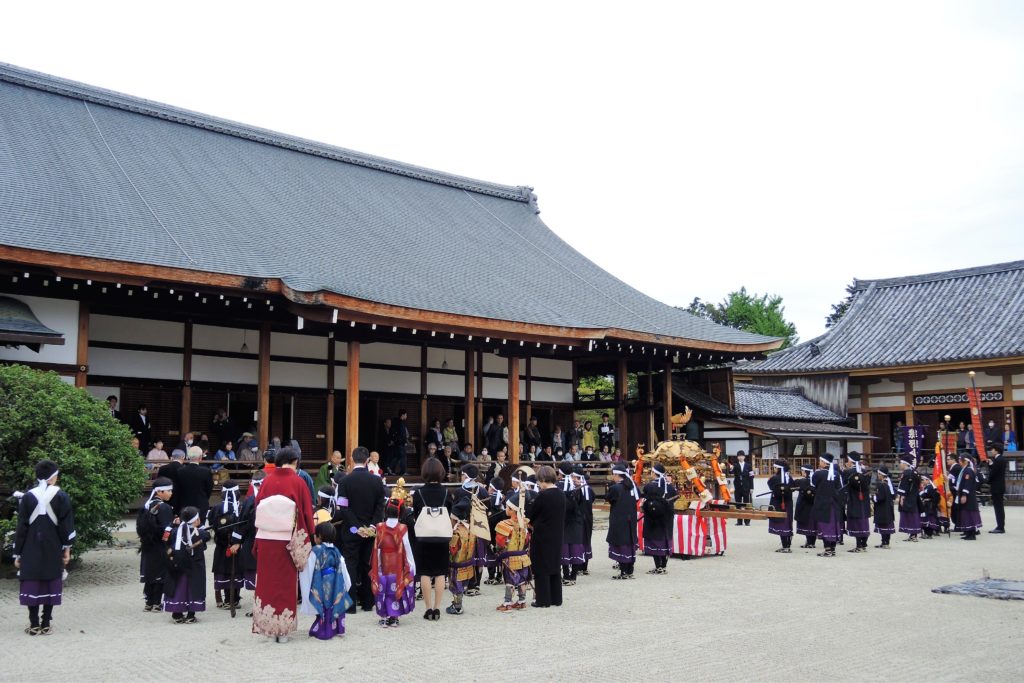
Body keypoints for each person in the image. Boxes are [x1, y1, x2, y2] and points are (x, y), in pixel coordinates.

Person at [252, 447, 314, 643]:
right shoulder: (298, 481)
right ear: (295, 461)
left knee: (266, 582)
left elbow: (257, 508)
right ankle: (283, 631)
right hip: (287, 540)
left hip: (266, 538)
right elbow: (305, 512)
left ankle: (269, 630)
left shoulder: (267, 480)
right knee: (286, 583)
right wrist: (309, 535)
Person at [14, 460, 75, 635]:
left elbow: (22, 528)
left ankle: (33, 625)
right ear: (52, 476)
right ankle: (46, 624)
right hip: (53, 547)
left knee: (32, 583)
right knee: (50, 582)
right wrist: (67, 549)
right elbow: (66, 527)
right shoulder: (61, 496)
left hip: (30, 548)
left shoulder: (27, 497)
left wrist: (17, 554)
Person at [335, 447, 387, 614]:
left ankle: (350, 604)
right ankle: (367, 602)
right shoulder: (376, 481)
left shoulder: (345, 481)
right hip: (370, 529)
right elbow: (380, 506)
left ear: (351, 459)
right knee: (368, 564)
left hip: (351, 530)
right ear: (367, 461)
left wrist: (355, 527)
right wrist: (372, 526)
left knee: (351, 563)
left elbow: (343, 507)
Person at [412, 457, 452, 620]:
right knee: (441, 572)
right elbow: (448, 514)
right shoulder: (446, 493)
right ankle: (437, 608)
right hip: (442, 535)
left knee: (425, 573)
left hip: (424, 536)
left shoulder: (419, 492)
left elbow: (415, 515)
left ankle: (428, 608)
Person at [370, 497, 417, 627]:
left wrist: (377, 566)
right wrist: (412, 565)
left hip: (383, 562)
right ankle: (394, 617)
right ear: (401, 512)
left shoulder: (379, 527)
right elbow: (407, 547)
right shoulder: (402, 528)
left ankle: (384, 617)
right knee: (395, 590)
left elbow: (377, 548)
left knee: (382, 591)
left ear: (385, 511)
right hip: (397, 565)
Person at [307, 522, 352, 640]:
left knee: (325, 604)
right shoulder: (336, 550)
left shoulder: (316, 550)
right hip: (336, 580)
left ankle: (325, 630)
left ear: (319, 536)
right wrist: (346, 583)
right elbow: (342, 565)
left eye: (315, 535)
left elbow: (311, 567)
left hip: (322, 581)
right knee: (334, 602)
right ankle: (338, 628)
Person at [164, 505, 208, 624]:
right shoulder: (201, 533)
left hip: (178, 565)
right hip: (195, 566)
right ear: (196, 520)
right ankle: (190, 614)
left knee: (179, 587)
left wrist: (172, 525)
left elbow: (166, 539)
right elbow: (204, 543)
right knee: (193, 588)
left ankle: (177, 614)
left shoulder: (175, 531)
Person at [529, 466, 565, 607]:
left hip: (542, 535)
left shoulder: (543, 495)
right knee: (555, 566)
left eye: (539, 481)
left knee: (541, 567)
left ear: (543, 479)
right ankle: (556, 598)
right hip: (557, 534)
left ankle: (543, 600)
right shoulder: (561, 494)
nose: (538, 484)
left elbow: (532, 515)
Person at [230, 470, 263, 617]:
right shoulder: (251, 501)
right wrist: (236, 541)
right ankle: (259, 605)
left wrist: (237, 541)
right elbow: (242, 523)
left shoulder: (250, 500)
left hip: (259, 540)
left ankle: (260, 606)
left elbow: (241, 524)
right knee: (257, 574)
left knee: (259, 574)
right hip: (255, 540)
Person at [138, 477, 174, 612]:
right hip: (160, 545)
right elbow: (166, 530)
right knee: (160, 573)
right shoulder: (164, 507)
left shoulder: (146, 506)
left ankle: (149, 602)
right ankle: (157, 603)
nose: (171, 493)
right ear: (159, 492)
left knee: (150, 572)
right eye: (168, 490)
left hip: (148, 545)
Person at [207, 480, 244, 610]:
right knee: (236, 571)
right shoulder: (241, 507)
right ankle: (233, 599)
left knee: (224, 570)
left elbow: (211, 521)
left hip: (221, 545)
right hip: (237, 546)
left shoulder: (217, 508)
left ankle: (226, 599)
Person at [495, 492, 532, 612]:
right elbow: (527, 540)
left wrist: (498, 551)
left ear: (512, 510)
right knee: (522, 579)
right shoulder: (525, 524)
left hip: (510, 557)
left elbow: (500, 543)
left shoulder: (504, 525)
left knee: (509, 580)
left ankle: (507, 603)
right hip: (523, 557)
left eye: (507, 507)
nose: (506, 509)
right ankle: (522, 602)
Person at [606, 463, 639, 579]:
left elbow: (609, 499)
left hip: (619, 519)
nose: (612, 477)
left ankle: (623, 572)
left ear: (618, 475)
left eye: (613, 475)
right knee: (629, 543)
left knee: (621, 544)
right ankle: (630, 570)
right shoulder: (632, 485)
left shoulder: (615, 488)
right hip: (631, 519)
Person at [810, 454, 843, 558]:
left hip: (822, 503)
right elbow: (840, 488)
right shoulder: (837, 474)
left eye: (820, 461)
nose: (819, 463)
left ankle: (827, 550)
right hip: (834, 503)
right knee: (833, 526)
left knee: (824, 526)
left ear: (824, 462)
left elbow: (813, 486)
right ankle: (832, 550)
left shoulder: (818, 474)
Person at [446, 498, 474, 616]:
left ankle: (457, 607)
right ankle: (458, 604)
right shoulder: (471, 530)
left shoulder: (455, 532)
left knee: (456, 584)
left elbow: (452, 550)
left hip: (457, 564)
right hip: (467, 563)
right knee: (462, 584)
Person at [559, 463, 585, 586]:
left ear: (560, 473)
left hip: (563, 520)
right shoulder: (578, 486)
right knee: (574, 547)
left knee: (565, 548)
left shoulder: (558, 486)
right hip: (576, 520)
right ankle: (573, 576)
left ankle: (566, 575)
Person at [842, 453, 871, 553]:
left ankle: (859, 545)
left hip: (853, 499)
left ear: (850, 461)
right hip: (864, 499)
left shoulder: (848, 472)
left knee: (856, 521)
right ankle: (863, 544)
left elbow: (844, 485)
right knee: (863, 520)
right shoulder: (864, 471)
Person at [641, 481, 673, 571]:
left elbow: (648, 514)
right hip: (664, 528)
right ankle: (663, 566)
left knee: (655, 548)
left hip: (653, 528)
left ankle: (658, 567)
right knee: (663, 548)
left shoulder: (649, 503)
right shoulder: (664, 501)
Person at [176, 446, 214, 520]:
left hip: (185, 505)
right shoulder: (206, 471)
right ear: (200, 457)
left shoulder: (180, 471)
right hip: (201, 504)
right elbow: (209, 489)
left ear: (188, 457)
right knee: (200, 528)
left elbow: (178, 489)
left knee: (185, 528)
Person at [767, 461, 795, 553]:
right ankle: (787, 545)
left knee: (781, 524)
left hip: (779, 504)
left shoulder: (775, 478)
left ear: (779, 469)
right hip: (788, 504)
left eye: (775, 468)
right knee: (787, 524)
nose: (774, 469)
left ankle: (785, 546)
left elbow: (770, 486)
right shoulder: (789, 478)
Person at [954, 453, 982, 540]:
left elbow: (967, 484)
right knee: (965, 514)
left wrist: (964, 495)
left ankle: (972, 534)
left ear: (965, 461)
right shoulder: (965, 470)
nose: (959, 461)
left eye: (960, 459)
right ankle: (968, 532)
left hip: (969, 496)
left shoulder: (968, 471)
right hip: (965, 495)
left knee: (969, 514)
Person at [896, 456, 921, 542]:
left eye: (901, 463)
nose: (900, 464)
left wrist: (902, 497)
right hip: (914, 495)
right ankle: (913, 534)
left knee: (910, 515)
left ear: (904, 463)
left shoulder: (906, 473)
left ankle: (913, 534)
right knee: (913, 514)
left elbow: (904, 486)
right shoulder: (915, 472)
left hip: (908, 497)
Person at [575, 469, 595, 575]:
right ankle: (584, 567)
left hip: (579, 519)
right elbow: (593, 498)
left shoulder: (577, 489)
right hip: (588, 517)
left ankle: (578, 566)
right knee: (586, 540)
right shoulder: (589, 489)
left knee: (579, 541)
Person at [873, 466, 896, 549]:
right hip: (888, 507)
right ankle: (886, 543)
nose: (878, 475)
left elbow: (880, 498)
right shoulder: (888, 483)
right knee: (887, 525)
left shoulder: (882, 485)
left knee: (884, 526)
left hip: (882, 508)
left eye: (878, 474)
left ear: (881, 475)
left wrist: (874, 497)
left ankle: (885, 543)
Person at [794, 465, 817, 548]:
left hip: (805, 504)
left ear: (806, 472)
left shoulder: (803, 481)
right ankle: (810, 542)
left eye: (803, 471)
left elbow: (794, 484)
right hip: (813, 504)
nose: (802, 472)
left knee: (808, 523)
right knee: (812, 523)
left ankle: (810, 543)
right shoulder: (814, 480)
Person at [732, 451, 755, 525]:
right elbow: (731, 472)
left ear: (744, 457)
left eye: (742, 456)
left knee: (746, 505)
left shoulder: (748, 465)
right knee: (738, 504)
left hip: (746, 487)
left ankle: (747, 521)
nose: (740, 457)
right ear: (737, 457)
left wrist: (752, 487)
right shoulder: (735, 465)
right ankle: (739, 521)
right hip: (738, 487)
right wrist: (730, 468)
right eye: (739, 456)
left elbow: (751, 477)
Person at [988, 445, 1007, 534]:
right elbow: (995, 470)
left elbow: (993, 473)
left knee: (998, 507)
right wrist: (991, 464)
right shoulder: (1000, 459)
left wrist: (986, 480)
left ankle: (1000, 527)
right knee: (999, 507)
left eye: (992, 449)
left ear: (996, 450)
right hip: (999, 486)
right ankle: (1000, 525)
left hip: (997, 486)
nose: (991, 451)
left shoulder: (998, 460)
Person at [390, 410, 410, 476]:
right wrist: (402, 441)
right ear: (402, 415)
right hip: (400, 443)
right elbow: (400, 434)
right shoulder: (399, 423)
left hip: (399, 443)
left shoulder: (399, 422)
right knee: (402, 457)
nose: (406, 416)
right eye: (406, 415)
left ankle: (390, 469)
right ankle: (402, 471)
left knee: (398, 457)